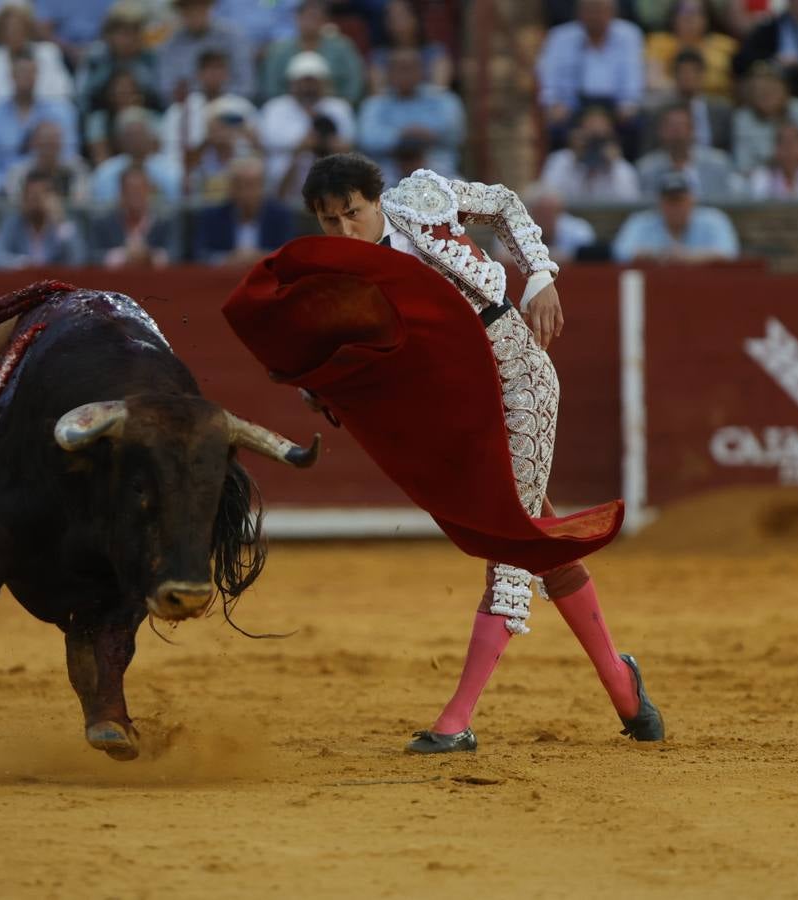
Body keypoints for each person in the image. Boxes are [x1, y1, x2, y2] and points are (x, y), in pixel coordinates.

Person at [238, 152, 665, 752]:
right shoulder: (335, 280)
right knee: (535, 535)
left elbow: (505, 205)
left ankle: (456, 719)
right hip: (457, 408)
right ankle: (623, 687)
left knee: (510, 545)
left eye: (351, 214)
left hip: (517, 377)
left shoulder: (420, 199)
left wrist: (540, 274)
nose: (342, 231)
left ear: (375, 200)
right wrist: (321, 391)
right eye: (327, 221)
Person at [535, 0, 645, 157]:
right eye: (590, 10)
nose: (595, 16)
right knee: (553, 127)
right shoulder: (560, 36)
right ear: (579, 12)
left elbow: (632, 81)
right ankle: (560, 170)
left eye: (600, 10)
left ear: (612, 12)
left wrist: (628, 105)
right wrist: (553, 103)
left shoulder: (629, 35)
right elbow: (547, 79)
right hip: (572, 108)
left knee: (635, 124)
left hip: (613, 107)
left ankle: (625, 173)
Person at [357, 48, 466, 183]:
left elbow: (455, 133)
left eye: (410, 69)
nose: (405, 75)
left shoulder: (443, 99)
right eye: (400, 69)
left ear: (422, 71)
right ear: (389, 73)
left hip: (437, 167)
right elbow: (366, 138)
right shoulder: (374, 104)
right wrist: (401, 136)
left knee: (461, 190)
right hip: (388, 170)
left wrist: (428, 135)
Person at [258, 51, 357, 200]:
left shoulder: (339, 108)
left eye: (313, 82)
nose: (308, 87)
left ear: (324, 83)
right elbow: (266, 143)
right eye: (303, 81)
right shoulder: (274, 109)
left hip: (332, 185)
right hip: (284, 186)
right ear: (292, 82)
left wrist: (328, 145)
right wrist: (301, 146)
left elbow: (347, 144)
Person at [0, 52, 79, 177]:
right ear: (11, 75)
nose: (25, 77)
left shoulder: (61, 112)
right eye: (21, 72)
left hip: (52, 183)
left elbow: (68, 156)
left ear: (37, 75)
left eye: (30, 72)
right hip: (1, 191)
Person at [160, 49, 259, 171]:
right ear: (199, 74)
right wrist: (210, 139)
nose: (214, 74)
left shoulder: (242, 107)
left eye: (219, 68)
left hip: (236, 174)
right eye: (209, 69)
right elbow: (173, 159)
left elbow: (258, 150)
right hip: (196, 177)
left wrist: (244, 134)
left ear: (227, 74)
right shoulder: (180, 109)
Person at [612, 170, 740, 262]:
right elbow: (620, 253)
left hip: (705, 288)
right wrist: (657, 255)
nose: (675, 207)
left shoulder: (714, 220)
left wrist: (686, 257)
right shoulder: (640, 222)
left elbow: (729, 254)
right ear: (660, 203)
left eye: (680, 200)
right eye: (670, 201)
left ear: (692, 201)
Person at [0, 2, 74, 112]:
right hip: (0, 122)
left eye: (19, 27)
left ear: (28, 29)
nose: (14, 32)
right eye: (8, 28)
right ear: (0, 31)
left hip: (45, 120)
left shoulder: (48, 52)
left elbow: (63, 94)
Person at [260, 0, 367, 105]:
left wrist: (344, 103)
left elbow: (354, 82)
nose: (310, 23)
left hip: (333, 105)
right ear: (297, 19)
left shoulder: (342, 47)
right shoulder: (279, 50)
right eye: (306, 18)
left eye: (315, 18)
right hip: (289, 107)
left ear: (324, 21)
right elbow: (271, 87)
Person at [192, 155, 296, 263]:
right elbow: (200, 254)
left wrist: (260, 257)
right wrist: (227, 258)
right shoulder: (212, 216)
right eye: (239, 185)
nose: (246, 192)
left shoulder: (280, 216)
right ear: (231, 188)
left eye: (252, 185)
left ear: (263, 187)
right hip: (224, 277)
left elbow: (288, 255)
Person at [73, 3, 161, 120]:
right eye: (123, 33)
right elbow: (82, 99)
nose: (129, 40)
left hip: (142, 117)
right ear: (109, 34)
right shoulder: (95, 57)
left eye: (134, 33)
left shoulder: (150, 58)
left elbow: (159, 99)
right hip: (102, 118)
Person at [636, 103, 741, 199]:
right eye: (671, 126)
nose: (677, 132)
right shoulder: (647, 168)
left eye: (682, 126)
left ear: (693, 130)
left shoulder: (718, 162)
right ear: (661, 131)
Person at [0, 170, 88, 269]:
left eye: (41, 195)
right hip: (23, 283)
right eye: (30, 195)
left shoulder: (66, 222)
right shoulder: (12, 221)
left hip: (55, 283)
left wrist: (60, 222)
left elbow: (78, 260)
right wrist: (23, 263)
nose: (35, 200)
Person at [157, 0, 255, 103]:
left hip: (230, 105)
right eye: (187, 8)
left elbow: (246, 85)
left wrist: (216, 98)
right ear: (180, 11)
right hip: (188, 107)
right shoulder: (172, 44)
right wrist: (198, 98)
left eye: (199, 6)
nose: (194, 12)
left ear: (209, 6)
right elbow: (166, 89)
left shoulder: (232, 37)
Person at [537, 106, 642, 202]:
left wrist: (612, 167)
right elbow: (547, 198)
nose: (593, 142)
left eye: (598, 137)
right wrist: (575, 160)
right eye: (589, 135)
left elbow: (630, 201)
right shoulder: (560, 160)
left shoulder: (621, 167)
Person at [731, 63, 798, 174]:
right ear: (750, 94)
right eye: (760, 91)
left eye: (772, 89)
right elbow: (743, 165)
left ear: (785, 89)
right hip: (761, 181)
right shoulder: (743, 117)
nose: (766, 95)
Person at [644, 0, 738, 101]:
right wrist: (688, 87)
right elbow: (652, 81)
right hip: (671, 101)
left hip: (718, 103)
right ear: (673, 16)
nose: (690, 17)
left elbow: (736, 83)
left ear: (707, 17)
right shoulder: (658, 42)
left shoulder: (725, 45)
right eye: (684, 11)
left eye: (698, 12)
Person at [88, 109, 183, 206]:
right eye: (130, 136)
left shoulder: (171, 170)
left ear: (150, 137)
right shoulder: (105, 172)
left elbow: (176, 204)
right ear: (120, 140)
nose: (135, 141)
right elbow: (101, 209)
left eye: (139, 135)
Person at [644, 50, 733, 153]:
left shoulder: (721, 110)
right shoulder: (659, 113)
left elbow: (730, 149)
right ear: (674, 76)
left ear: (702, 75)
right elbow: (648, 150)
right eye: (683, 72)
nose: (687, 77)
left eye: (693, 72)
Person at [90, 166, 179, 268]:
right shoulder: (103, 223)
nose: (135, 195)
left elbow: (176, 255)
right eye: (130, 190)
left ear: (148, 191)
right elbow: (92, 257)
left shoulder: (165, 222)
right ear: (121, 192)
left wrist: (148, 255)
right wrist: (124, 255)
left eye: (139, 189)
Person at [368, 0, 453, 93]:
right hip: (391, 106)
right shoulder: (379, 56)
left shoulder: (435, 52)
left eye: (402, 17)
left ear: (415, 18)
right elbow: (378, 93)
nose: (397, 23)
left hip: (430, 105)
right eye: (392, 19)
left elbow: (440, 90)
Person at [3, 120, 92, 204]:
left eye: (53, 142)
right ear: (33, 143)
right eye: (45, 142)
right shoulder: (19, 172)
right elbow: (14, 202)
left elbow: (80, 203)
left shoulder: (77, 170)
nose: (49, 148)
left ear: (61, 143)